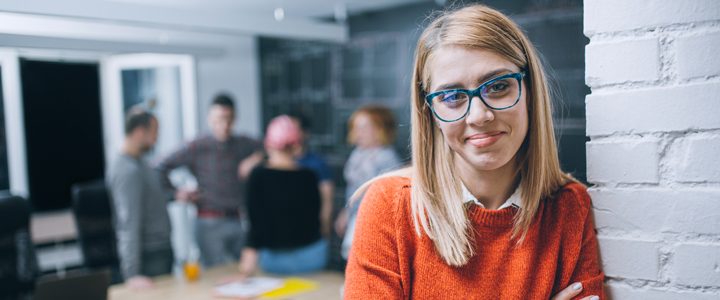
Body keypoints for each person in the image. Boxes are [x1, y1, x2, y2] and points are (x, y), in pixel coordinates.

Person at [344, 4, 604, 300]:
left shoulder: (570, 207)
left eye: (498, 86)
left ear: (530, 92)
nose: (479, 116)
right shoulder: (390, 206)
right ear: (431, 113)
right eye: (452, 96)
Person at [158, 94, 263, 268]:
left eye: (229, 119)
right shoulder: (197, 145)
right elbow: (160, 166)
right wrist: (176, 193)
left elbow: (271, 147)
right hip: (208, 222)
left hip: (237, 219)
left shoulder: (243, 143)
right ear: (210, 119)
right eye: (219, 119)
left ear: (235, 118)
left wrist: (254, 159)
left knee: (247, 271)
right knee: (214, 274)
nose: (224, 125)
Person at [238, 115, 327, 276]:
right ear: (296, 146)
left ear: (268, 145)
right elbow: (317, 216)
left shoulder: (258, 176)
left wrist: (246, 266)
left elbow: (255, 223)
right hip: (312, 256)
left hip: (274, 260)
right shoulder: (310, 176)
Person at [107, 108, 172, 289]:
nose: (157, 138)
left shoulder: (142, 164)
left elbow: (152, 200)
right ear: (139, 132)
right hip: (149, 256)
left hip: (160, 250)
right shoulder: (126, 170)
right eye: (155, 132)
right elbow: (128, 222)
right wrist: (132, 273)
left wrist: (175, 195)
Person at [334, 105, 402, 259]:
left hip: (373, 219)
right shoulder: (358, 153)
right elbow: (353, 188)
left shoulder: (386, 158)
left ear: (380, 130)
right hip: (356, 216)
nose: (358, 132)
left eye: (364, 127)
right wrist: (346, 213)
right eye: (355, 127)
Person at [288, 114, 334, 238]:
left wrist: (325, 226)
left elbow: (327, 198)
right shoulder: (276, 163)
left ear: (306, 133)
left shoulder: (317, 163)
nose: (289, 134)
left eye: (294, 129)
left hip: (310, 229)